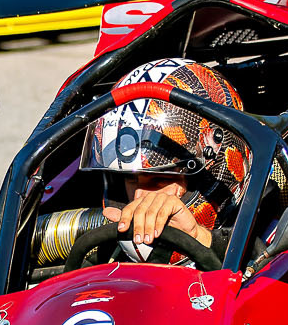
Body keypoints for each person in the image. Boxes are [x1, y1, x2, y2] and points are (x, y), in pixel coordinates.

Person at [80, 58, 250, 260]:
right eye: (130, 179)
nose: (139, 198)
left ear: (207, 177)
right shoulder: (102, 252)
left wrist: (199, 239)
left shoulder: (268, 221)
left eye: (160, 179)